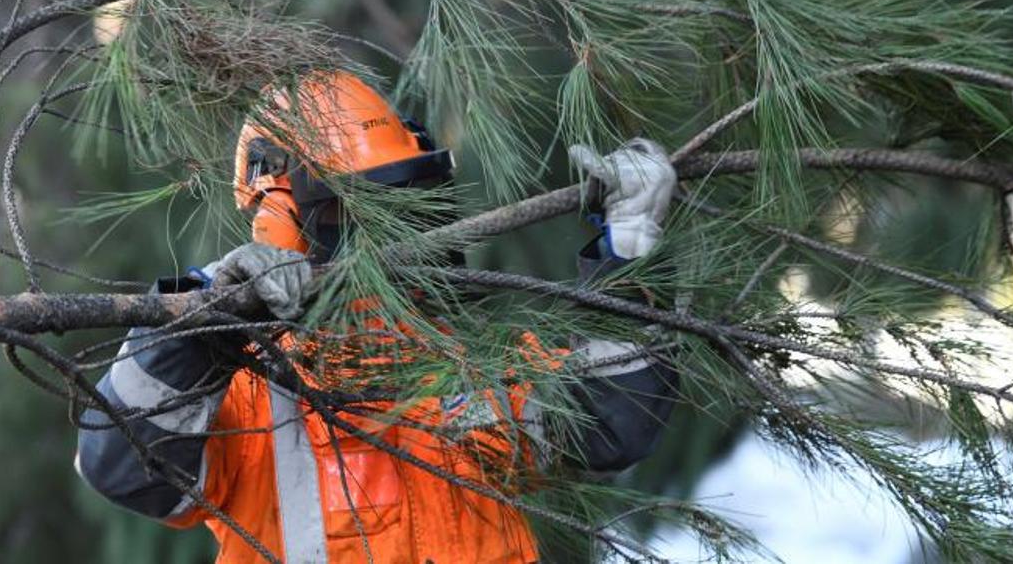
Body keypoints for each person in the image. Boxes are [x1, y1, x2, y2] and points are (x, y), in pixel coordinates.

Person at [75, 71, 679, 563]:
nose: (393, 235)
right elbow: (122, 468)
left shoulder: (466, 362)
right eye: (361, 211)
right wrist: (206, 319)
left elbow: (609, 424)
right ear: (283, 216)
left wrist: (629, 253)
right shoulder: (243, 391)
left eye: (403, 206)